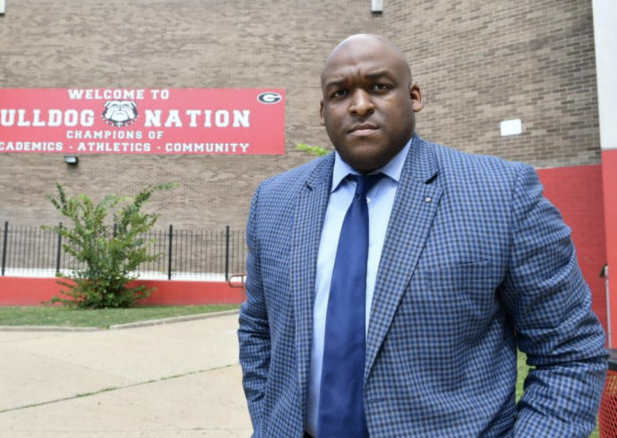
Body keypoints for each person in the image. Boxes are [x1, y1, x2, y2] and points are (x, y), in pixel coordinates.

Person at [238, 34, 608, 438]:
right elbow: (258, 330)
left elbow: (568, 351)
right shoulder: (274, 201)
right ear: (323, 111)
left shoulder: (502, 193)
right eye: (342, 93)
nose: (360, 104)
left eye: (379, 87)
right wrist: (269, 423)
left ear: (414, 96)